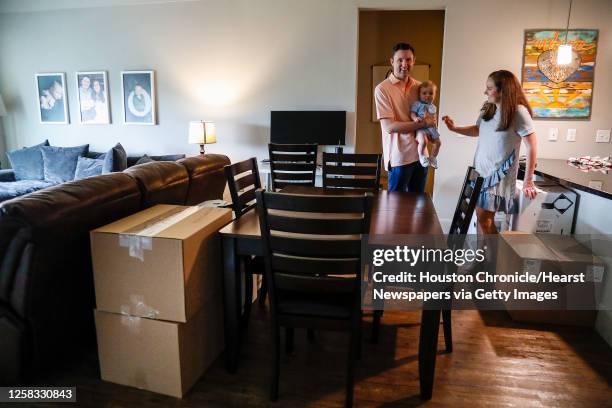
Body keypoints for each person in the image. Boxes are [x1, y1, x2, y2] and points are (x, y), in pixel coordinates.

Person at [442, 70, 538, 235]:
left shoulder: (518, 112)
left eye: (489, 88)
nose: (485, 92)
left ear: (503, 90)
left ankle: (492, 260)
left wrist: (529, 181)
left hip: (497, 176)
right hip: (480, 173)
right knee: (482, 219)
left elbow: (532, 146)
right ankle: (484, 258)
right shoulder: (489, 108)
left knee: (484, 220)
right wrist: (454, 128)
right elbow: (478, 129)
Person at [375, 43, 437, 192]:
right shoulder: (382, 89)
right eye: (400, 60)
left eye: (408, 60)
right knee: (395, 209)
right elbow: (389, 127)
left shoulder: (419, 87)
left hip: (421, 156)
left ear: (414, 61)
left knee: (417, 208)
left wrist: (432, 126)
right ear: (392, 61)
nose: (404, 64)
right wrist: (422, 124)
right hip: (399, 158)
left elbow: (428, 115)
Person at [410, 81, 441, 168]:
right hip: (421, 128)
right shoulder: (417, 104)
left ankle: (433, 158)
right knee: (423, 142)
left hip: (432, 129)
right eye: (424, 93)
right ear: (419, 94)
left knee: (438, 143)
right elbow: (412, 113)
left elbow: (435, 119)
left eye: (431, 93)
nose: (427, 95)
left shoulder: (433, 107)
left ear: (434, 95)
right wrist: (415, 118)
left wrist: (436, 129)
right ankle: (422, 156)